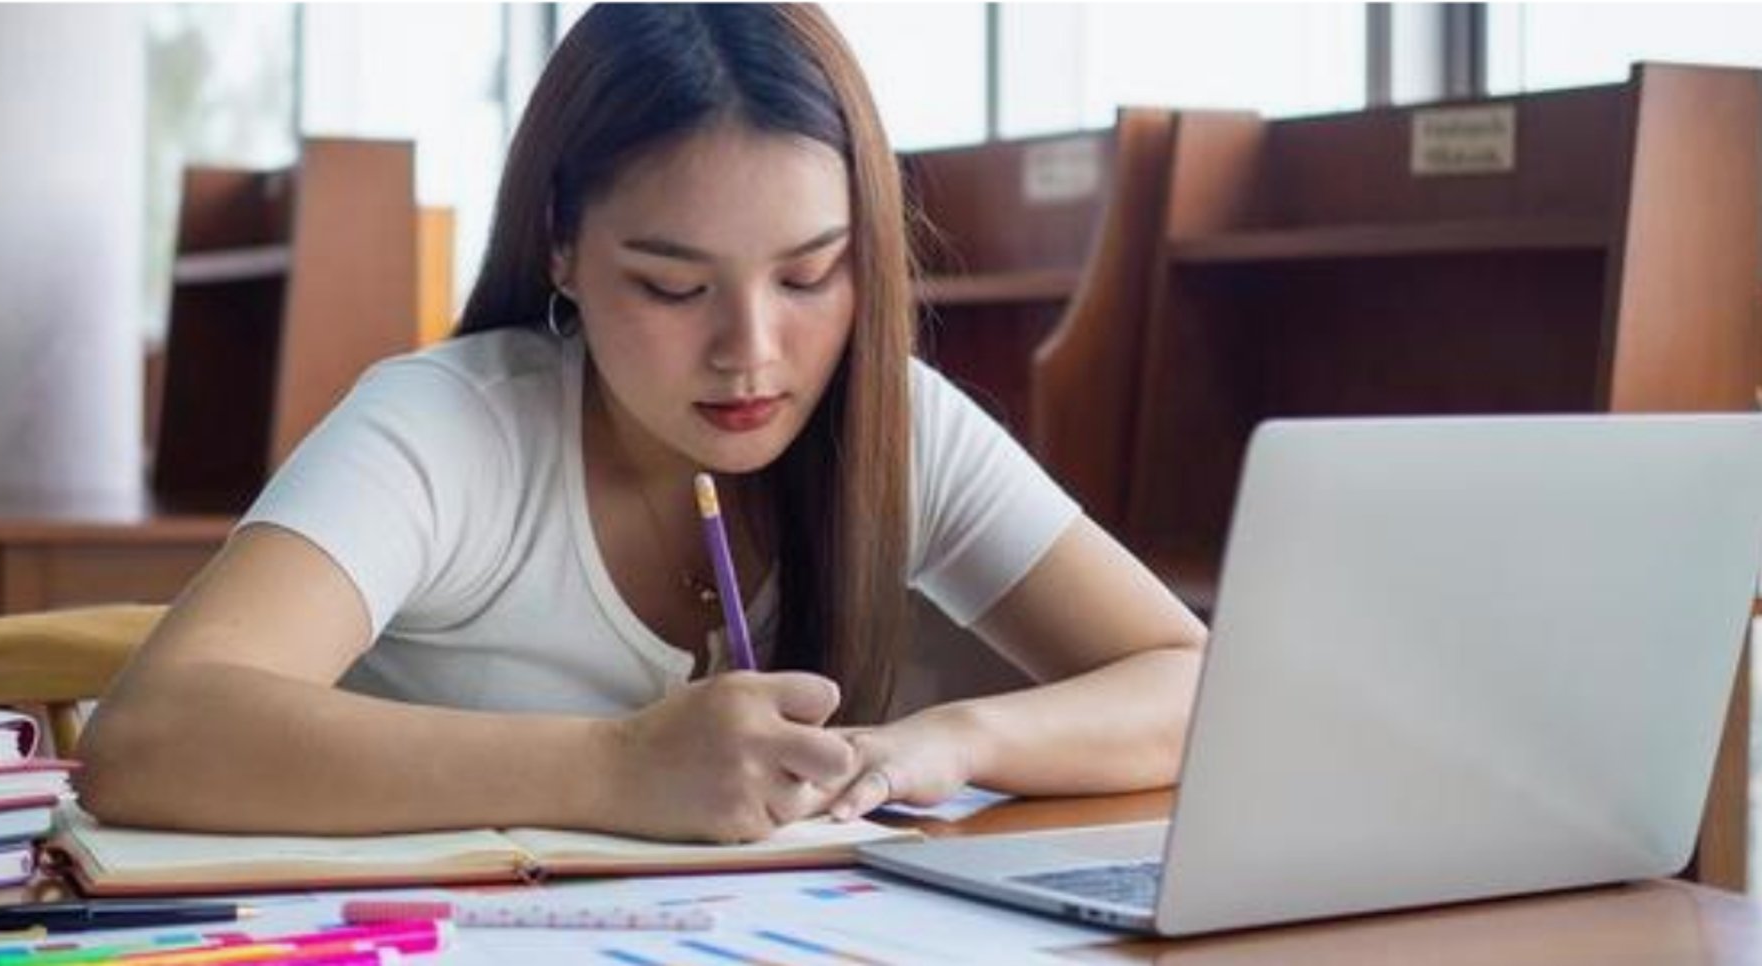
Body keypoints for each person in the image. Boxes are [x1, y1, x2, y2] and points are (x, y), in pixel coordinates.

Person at [77, 4, 1206, 843]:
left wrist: (946, 743)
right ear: (562, 243)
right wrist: (616, 767)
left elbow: (1187, 679)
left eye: (811, 277)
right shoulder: (446, 430)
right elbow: (151, 737)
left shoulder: (889, 417)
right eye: (674, 287)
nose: (752, 350)